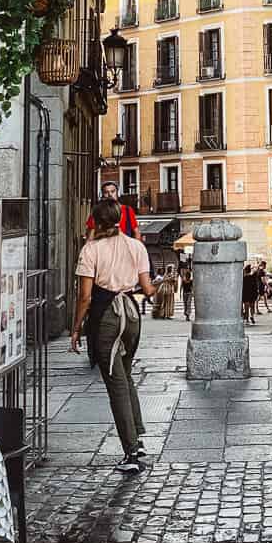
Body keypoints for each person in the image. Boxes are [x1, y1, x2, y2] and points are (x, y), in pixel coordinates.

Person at [70, 196, 156, 473]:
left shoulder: (90, 250)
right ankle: (138, 437)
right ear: (119, 218)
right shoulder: (136, 246)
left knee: (116, 384)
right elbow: (148, 288)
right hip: (131, 313)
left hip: (107, 316)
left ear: (95, 221)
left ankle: (131, 453)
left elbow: (84, 297)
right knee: (125, 377)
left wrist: (76, 329)